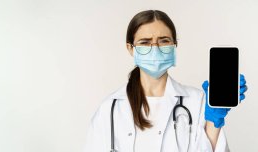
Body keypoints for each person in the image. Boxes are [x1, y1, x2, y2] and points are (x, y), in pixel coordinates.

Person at [82, 10, 248, 152]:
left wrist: (214, 120)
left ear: (174, 45)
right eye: (145, 43)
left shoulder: (198, 102)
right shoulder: (110, 109)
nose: (155, 48)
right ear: (130, 48)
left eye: (164, 41)